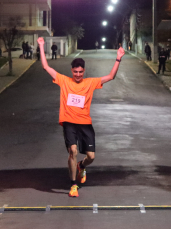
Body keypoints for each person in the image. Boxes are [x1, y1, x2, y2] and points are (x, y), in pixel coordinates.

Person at [37, 36, 125, 197]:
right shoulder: (64, 81)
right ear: (72, 71)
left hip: (85, 123)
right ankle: (73, 185)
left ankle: (81, 166)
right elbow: (45, 66)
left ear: (84, 71)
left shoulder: (90, 83)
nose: (78, 74)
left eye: (80, 72)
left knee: (91, 156)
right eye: (75, 72)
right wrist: (41, 46)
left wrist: (118, 58)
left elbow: (110, 77)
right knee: (73, 150)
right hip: (69, 122)